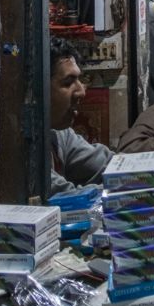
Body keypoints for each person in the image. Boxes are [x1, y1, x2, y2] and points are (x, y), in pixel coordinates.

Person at [49, 38, 112, 194]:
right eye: (68, 82)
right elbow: (64, 197)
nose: (81, 92)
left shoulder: (59, 133)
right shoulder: (18, 147)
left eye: (79, 80)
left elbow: (106, 165)